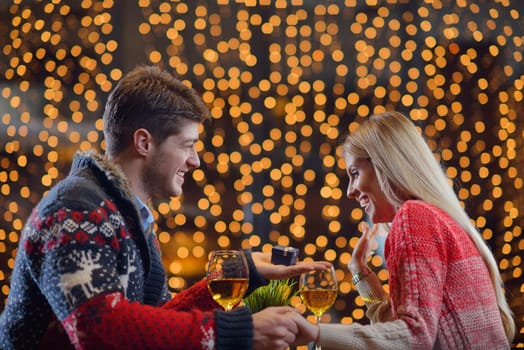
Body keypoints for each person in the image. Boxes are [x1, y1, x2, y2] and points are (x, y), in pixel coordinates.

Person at [0, 65, 330, 350]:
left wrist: (237, 272)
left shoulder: (129, 216)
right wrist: (240, 332)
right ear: (144, 142)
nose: (195, 161)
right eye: (187, 145)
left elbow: (156, 324)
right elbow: (100, 331)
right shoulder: (75, 210)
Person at [291, 111, 515, 349]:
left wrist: (317, 333)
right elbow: (402, 329)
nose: (350, 191)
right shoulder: (438, 217)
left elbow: (414, 337)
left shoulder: (414, 217)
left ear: (384, 164)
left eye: (354, 174)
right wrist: (360, 275)